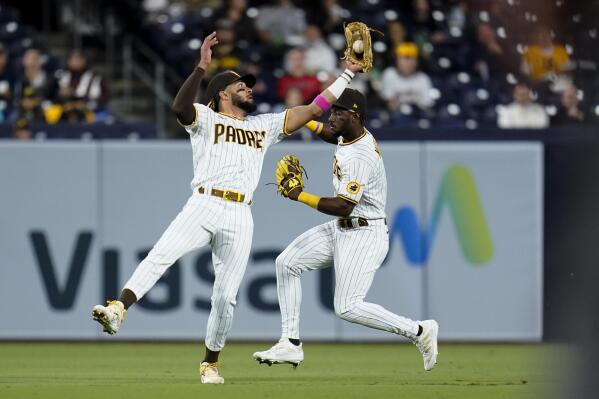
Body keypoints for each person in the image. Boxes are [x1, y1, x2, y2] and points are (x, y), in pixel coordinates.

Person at [92, 31, 363, 384]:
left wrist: (347, 74)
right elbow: (179, 108)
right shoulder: (205, 119)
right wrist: (200, 68)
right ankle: (118, 309)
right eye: (241, 86)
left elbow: (313, 109)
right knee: (162, 254)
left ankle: (210, 364)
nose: (249, 89)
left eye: (248, 85)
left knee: (226, 297)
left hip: (240, 214)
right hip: (204, 201)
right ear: (222, 93)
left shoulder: (262, 126)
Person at [252, 88, 439, 372]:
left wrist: (299, 194)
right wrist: (306, 120)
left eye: (339, 112)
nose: (332, 115)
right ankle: (290, 343)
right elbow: (331, 135)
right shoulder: (351, 135)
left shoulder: (360, 155)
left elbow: (342, 206)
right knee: (286, 263)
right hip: (344, 229)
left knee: (347, 307)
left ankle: (418, 331)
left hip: (364, 232)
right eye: (333, 110)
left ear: (355, 116)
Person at [379, 42, 434, 112]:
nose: (408, 63)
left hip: (417, 116)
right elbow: (388, 102)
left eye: (412, 59)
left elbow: (428, 104)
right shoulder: (389, 74)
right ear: (396, 60)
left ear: (417, 62)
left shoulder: (423, 78)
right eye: (405, 58)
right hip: (395, 116)